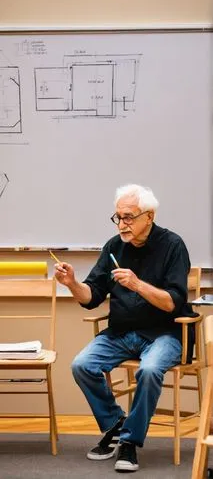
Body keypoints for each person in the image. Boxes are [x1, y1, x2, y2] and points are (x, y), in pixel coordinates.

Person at [55, 184, 196, 473]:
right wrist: (71, 284)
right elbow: (91, 296)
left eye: (129, 217)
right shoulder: (113, 246)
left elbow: (172, 303)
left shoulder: (173, 245)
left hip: (165, 333)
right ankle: (116, 424)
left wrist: (136, 284)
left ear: (149, 216)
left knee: (149, 369)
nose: (122, 224)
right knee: (82, 365)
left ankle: (130, 442)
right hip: (121, 333)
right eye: (118, 217)